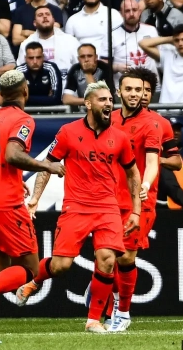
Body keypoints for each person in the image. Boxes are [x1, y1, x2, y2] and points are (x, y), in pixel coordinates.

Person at [15, 80, 142, 333]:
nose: (109, 104)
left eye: (110, 99)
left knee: (107, 260)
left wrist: (136, 210)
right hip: (76, 207)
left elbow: (133, 173)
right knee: (61, 266)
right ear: (88, 104)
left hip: (108, 208)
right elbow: (47, 166)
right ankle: (35, 281)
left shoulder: (120, 137)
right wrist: (35, 198)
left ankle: (93, 320)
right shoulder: (68, 132)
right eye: (102, 100)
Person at [0, 69, 66, 344]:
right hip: (5, 204)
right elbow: (12, 154)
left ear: (2, 94)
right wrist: (46, 165)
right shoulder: (23, 119)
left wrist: (7, 178)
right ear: (25, 91)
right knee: (30, 269)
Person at [96, 71, 164, 332]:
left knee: (125, 257)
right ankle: (112, 303)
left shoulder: (152, 124)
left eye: (139, 89)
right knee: (108, 256)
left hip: (138, 201)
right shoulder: (108, 119)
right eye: (129, 89)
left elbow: (152, 162)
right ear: (119, 92)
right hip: (108, 199)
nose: (134, 94)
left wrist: (145, 185)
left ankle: (122, 312)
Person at [139, 24, 183, 105]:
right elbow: (142, 43)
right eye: (177, 40)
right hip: (166, 108)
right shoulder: (168, 55)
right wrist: (170, 39)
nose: (180, 43)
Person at [16, 41, 62, 106]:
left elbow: (56, 99)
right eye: (31, 58)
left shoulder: (51, 68)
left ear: (43, 57)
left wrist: (26, 97)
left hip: (50, 111)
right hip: (25, 111)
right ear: (25, 58)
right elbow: (15, 99)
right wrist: (48, 98)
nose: (35, 62)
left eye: (38, 57)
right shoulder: (19, 71)